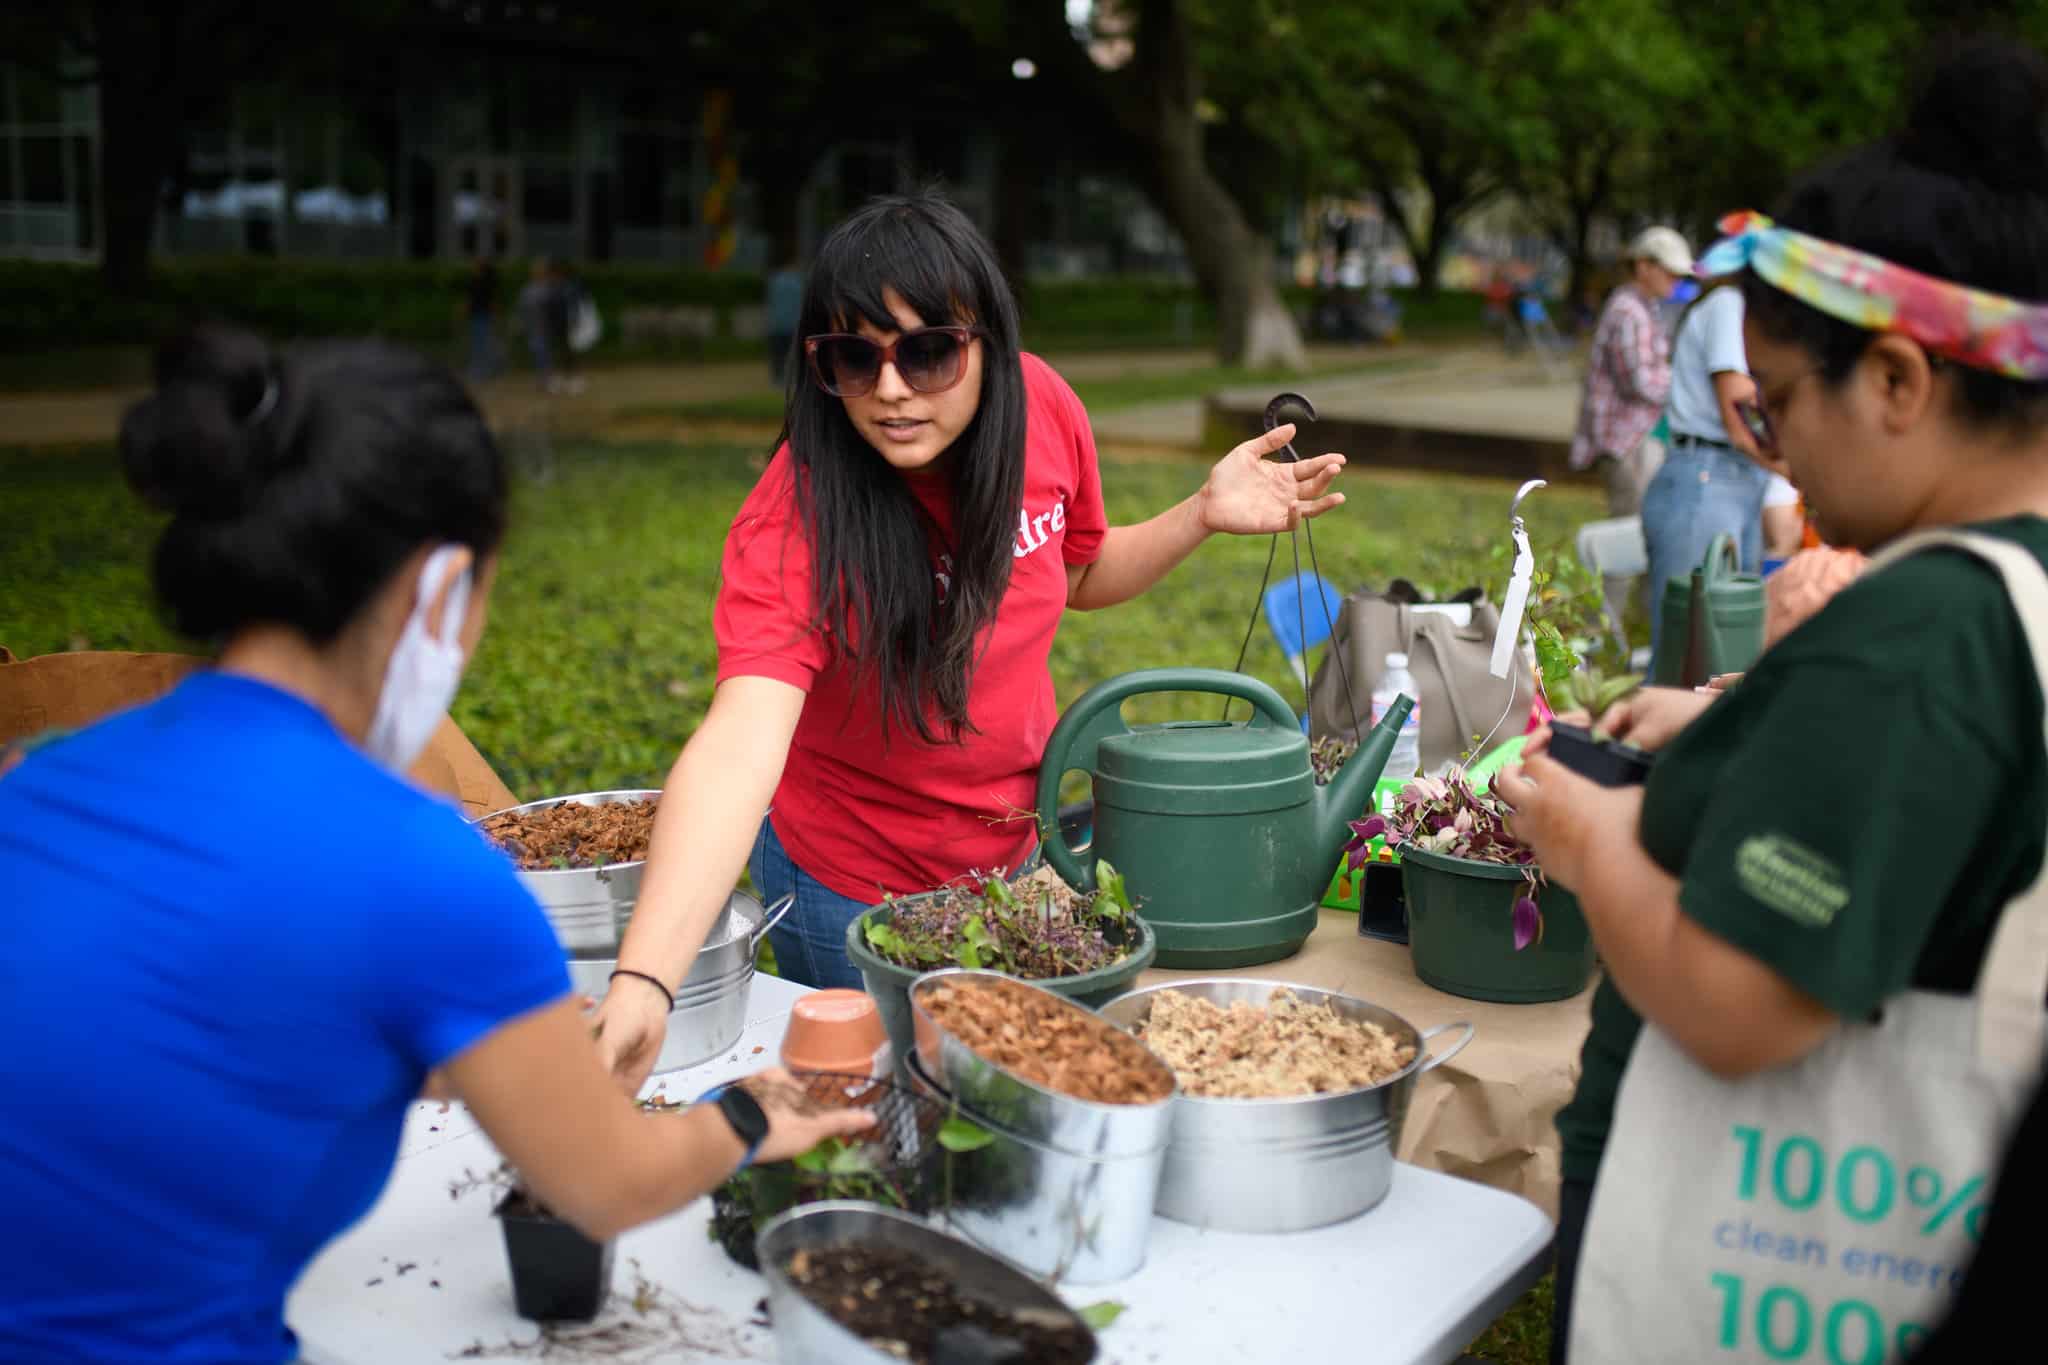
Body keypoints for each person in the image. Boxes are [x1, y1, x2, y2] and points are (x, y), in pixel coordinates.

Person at [0, 327, 871, 1361]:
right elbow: (604, 1183)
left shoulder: (43, 774)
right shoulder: (419, 869)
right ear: (444, 585)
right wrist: (751, 1116)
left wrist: (456, 1058)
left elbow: (169, 1030)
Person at [1496, 40, 2048, 1363]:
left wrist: (1581, 835)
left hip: (1741, 1236)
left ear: (1903, 381)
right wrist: (1736, 728)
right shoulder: (2010, 590)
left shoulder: (1915, 630)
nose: (1772, 442)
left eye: (1785, 402)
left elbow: (1741, 1000)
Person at [588, 191, 1349, 1088]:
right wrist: (645, 978)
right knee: (915, 1114)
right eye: (854, 359)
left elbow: (1075, 576)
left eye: (929, 351)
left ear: (986, 341)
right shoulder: (793, 518)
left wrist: (1200, 514)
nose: (893, 389)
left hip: (1018, 866)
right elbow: (738, 747)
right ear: (817, 365)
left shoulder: (1046, 414)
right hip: (850, 890)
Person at [1639, 276, 1776, 674]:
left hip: (1740, 476)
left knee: (1728, 652)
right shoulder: (1730, 303)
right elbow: (1739, 407)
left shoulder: (1754, 314)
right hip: (1706, 478)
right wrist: (1796, 465)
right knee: (1685, 658)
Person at [1570, 226, 1692, 633]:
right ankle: (1600, 632)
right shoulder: (1628, 311)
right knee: (1627, 537)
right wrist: (1692, 385)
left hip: (1640, 439)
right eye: (1669, 272)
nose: (1675, 281)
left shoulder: (1644, 307)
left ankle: (1631, 620)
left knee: (1643, 528)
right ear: (1644, 266)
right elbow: (1640, 382)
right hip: (1624, 442)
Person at [765, 238, 805, 387]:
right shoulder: (797, 282)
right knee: (790, 355)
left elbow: (771, 303)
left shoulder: (775, 280)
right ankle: (788, 379)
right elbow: (800, 304)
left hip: (777, 324)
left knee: (777, 355)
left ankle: (777, 379)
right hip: (791, 324)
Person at [518, 256, 557, 390]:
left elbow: (553, 308)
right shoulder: (528, 289)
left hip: (545, 327)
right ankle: (542, 379)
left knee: (545, 353)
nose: (539, 273)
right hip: (533, 327)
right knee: (538, 353)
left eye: (541, 270)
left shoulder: (549, 288)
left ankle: (546, 379)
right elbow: (522, 308)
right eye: (537, 270)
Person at [463, 256, 502, 382]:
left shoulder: (484, 281)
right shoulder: (477, 280)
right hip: (478, 315)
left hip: (483, 315)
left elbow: (491, 300)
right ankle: (480, 370)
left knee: (482, 343)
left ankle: (482, 371)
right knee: (479, 343)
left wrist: (495, 315)